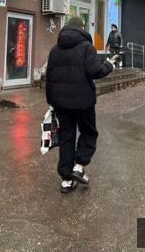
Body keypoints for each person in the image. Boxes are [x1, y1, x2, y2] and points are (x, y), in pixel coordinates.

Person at [46, 17, 115, 193]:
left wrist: (52, 102)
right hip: (83, 102)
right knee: (89, 132)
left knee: (66, 137)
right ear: (82, 28)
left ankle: (66, 180)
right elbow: (96, 71)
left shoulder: (55, 50)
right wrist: (109, 65)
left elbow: (50, 78)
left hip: (61, 103)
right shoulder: (86, 47)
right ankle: (79, 165)